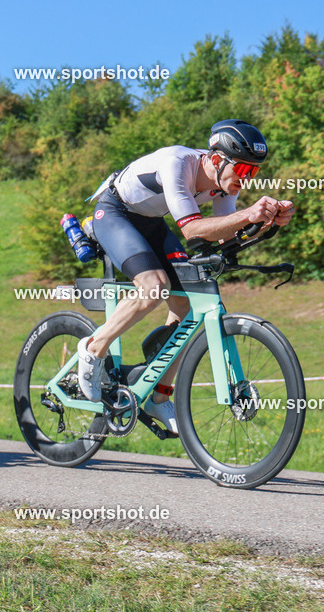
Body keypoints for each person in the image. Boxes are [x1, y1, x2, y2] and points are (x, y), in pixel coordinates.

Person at [79, 120, 295, 434]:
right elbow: (193, 230)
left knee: (187, 302)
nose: (246, 181)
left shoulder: (222, 185)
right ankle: (92, 348)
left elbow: (223, 233)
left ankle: (158, 394)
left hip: (152, 223)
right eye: (244, 171)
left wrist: (268, 222)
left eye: (254, 173)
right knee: (154, 287)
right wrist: (249, 213)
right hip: (115, 213)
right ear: (218, 160)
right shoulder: (177, 163)